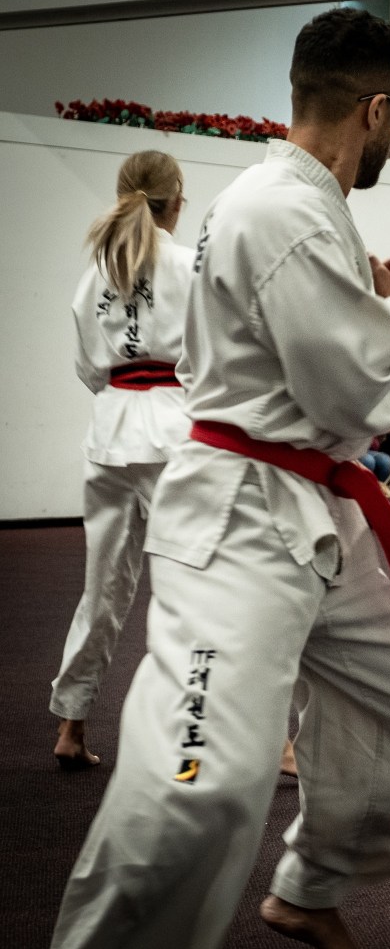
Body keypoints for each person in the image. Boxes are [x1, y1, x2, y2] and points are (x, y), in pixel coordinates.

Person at [50, 8, 390, 949]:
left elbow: (328, 373)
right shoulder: (280, 208)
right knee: (197, 784)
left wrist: (383, 351)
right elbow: (353, 384)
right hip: (240, 521)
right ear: (375, 109)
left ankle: (310, 884)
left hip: (313, 512)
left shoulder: (299, 205)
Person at [49, 151, 193, 771]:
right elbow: (216, 358)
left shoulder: (95, 272)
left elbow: (87, 367)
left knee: (102, 587)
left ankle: (71, 726)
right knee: (194, 588)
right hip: (173, 432)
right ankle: (227, 737)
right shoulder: (190, 265)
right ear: (176, 202)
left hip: (110, 430)